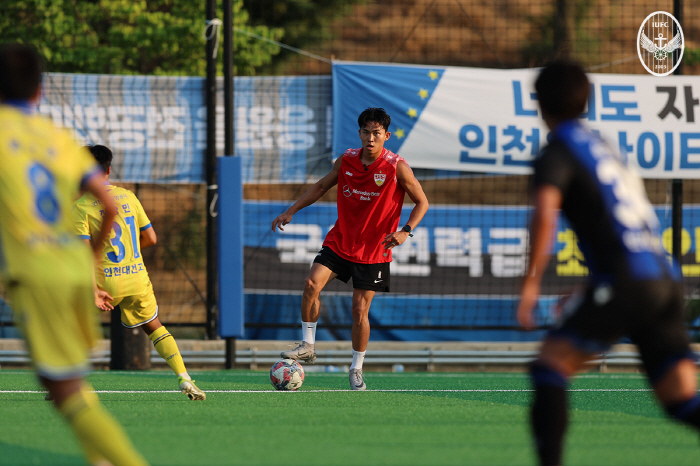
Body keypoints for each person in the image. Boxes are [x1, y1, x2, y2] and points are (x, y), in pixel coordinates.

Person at [517, 61, 700, 466]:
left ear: (541, 104)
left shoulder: (558, 149)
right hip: (665, 280)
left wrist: (530, 284)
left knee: (550, 367)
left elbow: (545, 213)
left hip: (628, 281)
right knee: (681, 400)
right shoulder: (603, 147)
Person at [0, 43, 149, 466]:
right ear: (38, 91)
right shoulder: (57, 138)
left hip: (35, 271)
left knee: (62, 391)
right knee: (70, 382)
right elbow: (110, 203)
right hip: (69, 266)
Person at [272, 107, 429, 390]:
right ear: (359, 133)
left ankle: (356, 369)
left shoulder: (396, 167)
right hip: (341, 240)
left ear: (386, 136)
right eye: (366, 132)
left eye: (376, 133)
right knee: (310, 284)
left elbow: (422, 202)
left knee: (359, 311)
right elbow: (321, 187)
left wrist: (405, 231)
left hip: (374, 250)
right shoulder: (345, 160)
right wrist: (291, 210)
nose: (370, 138)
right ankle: (308, 346)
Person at [71, 144, 206, 401]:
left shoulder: (80, 207)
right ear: (109, 170)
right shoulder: (129, 196)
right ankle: (184, 378)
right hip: (136, 278)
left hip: (104, 282)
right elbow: (151, 238)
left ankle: (66, 384)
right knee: (154, 327)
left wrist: (94, 289)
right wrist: (131, 254)